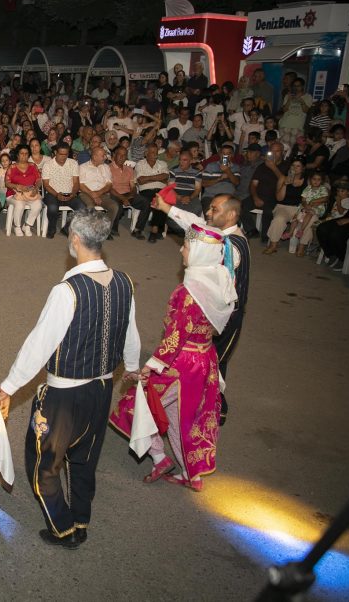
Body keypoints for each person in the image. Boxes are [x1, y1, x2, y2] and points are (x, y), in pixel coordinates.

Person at [0, 210, 139, 549]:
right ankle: (82, 519)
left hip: (64, 395)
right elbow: (131, 332)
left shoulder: (67, 290)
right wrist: (130, 365)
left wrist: (8, 387)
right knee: (85, 458)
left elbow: (40, 343)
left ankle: (63, 527)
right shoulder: (124, 282)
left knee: (43, 462)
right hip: (102, 389)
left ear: (75, 240)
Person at [111, 224, 236, 492]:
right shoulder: (222, 281)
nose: (181, 249)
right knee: (187, 417)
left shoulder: (189, 291)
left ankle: (158, 456)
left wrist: (151, 366)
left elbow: (177, 335)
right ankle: (192, 473)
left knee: (137, 405)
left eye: (187, 246)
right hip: (205, 358)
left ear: (201, 253)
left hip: (181, 363)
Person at [152, 193, 250, 425]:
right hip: (208, 309)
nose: (208, 213)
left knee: (215, 360)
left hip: (226, 315)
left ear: (231, 214)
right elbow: (195, 224)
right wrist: (167, 208)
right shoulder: (217, 233)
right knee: (200, 357)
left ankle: (216, 406)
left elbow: (215, 275)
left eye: (215, 210)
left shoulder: (231, 245)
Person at [262, 159, 306, 255]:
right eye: (293, 165)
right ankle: (273, 245)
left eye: (298, 166)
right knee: (279, 219)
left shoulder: (307, 181)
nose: (294, 168)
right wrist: (285, 184)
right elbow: (279, 198)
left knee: (306, 220)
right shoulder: (283, 178)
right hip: (283, 206)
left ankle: (301, 247)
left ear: (303, 168)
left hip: (299, 208)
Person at [41, 143, 84, 238]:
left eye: (66, 154)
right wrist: (57, 195)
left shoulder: (73, 163)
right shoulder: (48, 165)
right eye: (61, 154)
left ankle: (66, 228)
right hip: (52, 193)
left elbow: (76, 183)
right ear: (55, 152)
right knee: (52, 207)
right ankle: (52, 228)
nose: (63, 157)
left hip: (69, 193)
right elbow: (46, 185)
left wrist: (73, 193)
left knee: (82, 208)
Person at [6, 144, 43, 236]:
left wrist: (36, 188)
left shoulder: (33, 166)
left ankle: (27, 225)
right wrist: (18, 186)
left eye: (26, 154)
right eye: (22, 153)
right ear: (18, 155)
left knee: (38, 204)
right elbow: (7, 183)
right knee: (19, 204)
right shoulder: (12, 167)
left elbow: (39, 180)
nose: (24, 155)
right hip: (14, 194)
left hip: (30, 193)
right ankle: (17, 226)